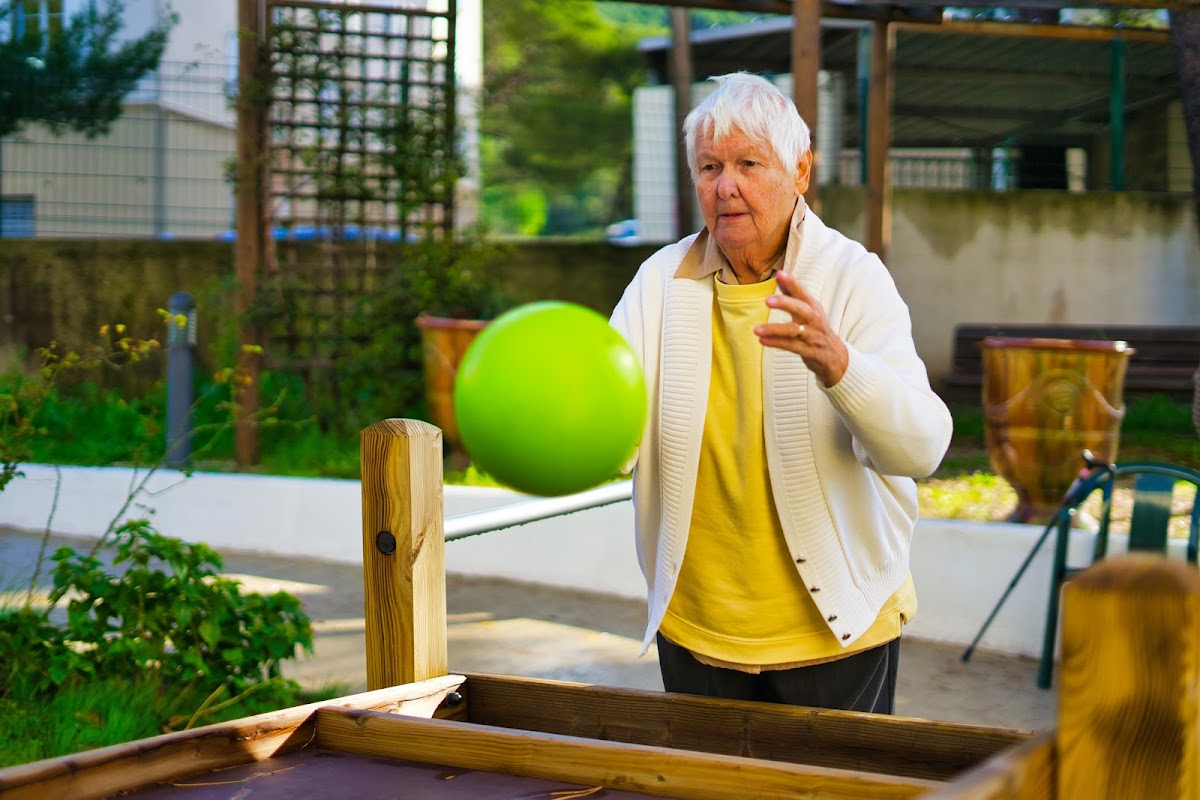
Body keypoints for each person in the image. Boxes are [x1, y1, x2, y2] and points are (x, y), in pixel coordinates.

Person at [609, 72, 953, 714]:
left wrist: (841, 367)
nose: (726, 185)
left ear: (800, 172)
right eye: (709, 166)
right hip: (698, 630)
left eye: (748, 163)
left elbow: (923, 447)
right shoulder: (659, 281)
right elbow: (612, 431)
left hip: (836, 631)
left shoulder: (851, 277)